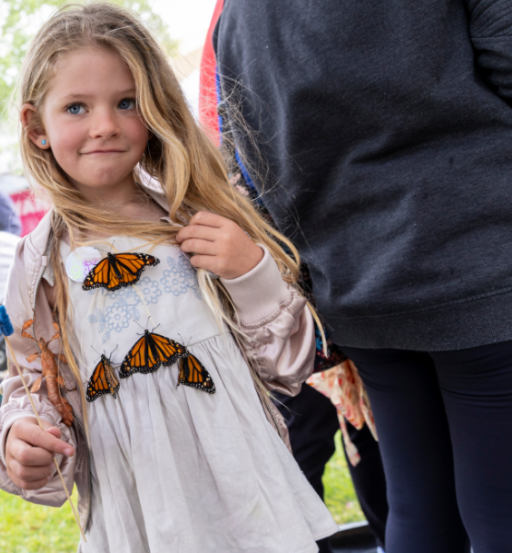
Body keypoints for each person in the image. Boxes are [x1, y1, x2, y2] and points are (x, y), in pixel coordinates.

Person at [0, 4, 338, 551]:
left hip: (252, 506)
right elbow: (34, 387)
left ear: (154, 108)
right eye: (77, 106)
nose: (104, 124)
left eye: (126, 102)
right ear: (36, 127)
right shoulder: (39, 265)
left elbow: (286, 367)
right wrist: (19, 436)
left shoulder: (198, 219)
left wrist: (252, 273)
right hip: (143, 519)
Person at [213, 0, 512, 551]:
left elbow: (248, 165)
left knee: (420, 505)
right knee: (500, 512)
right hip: (482, 273)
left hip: (357, 295)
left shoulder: (239, 17)